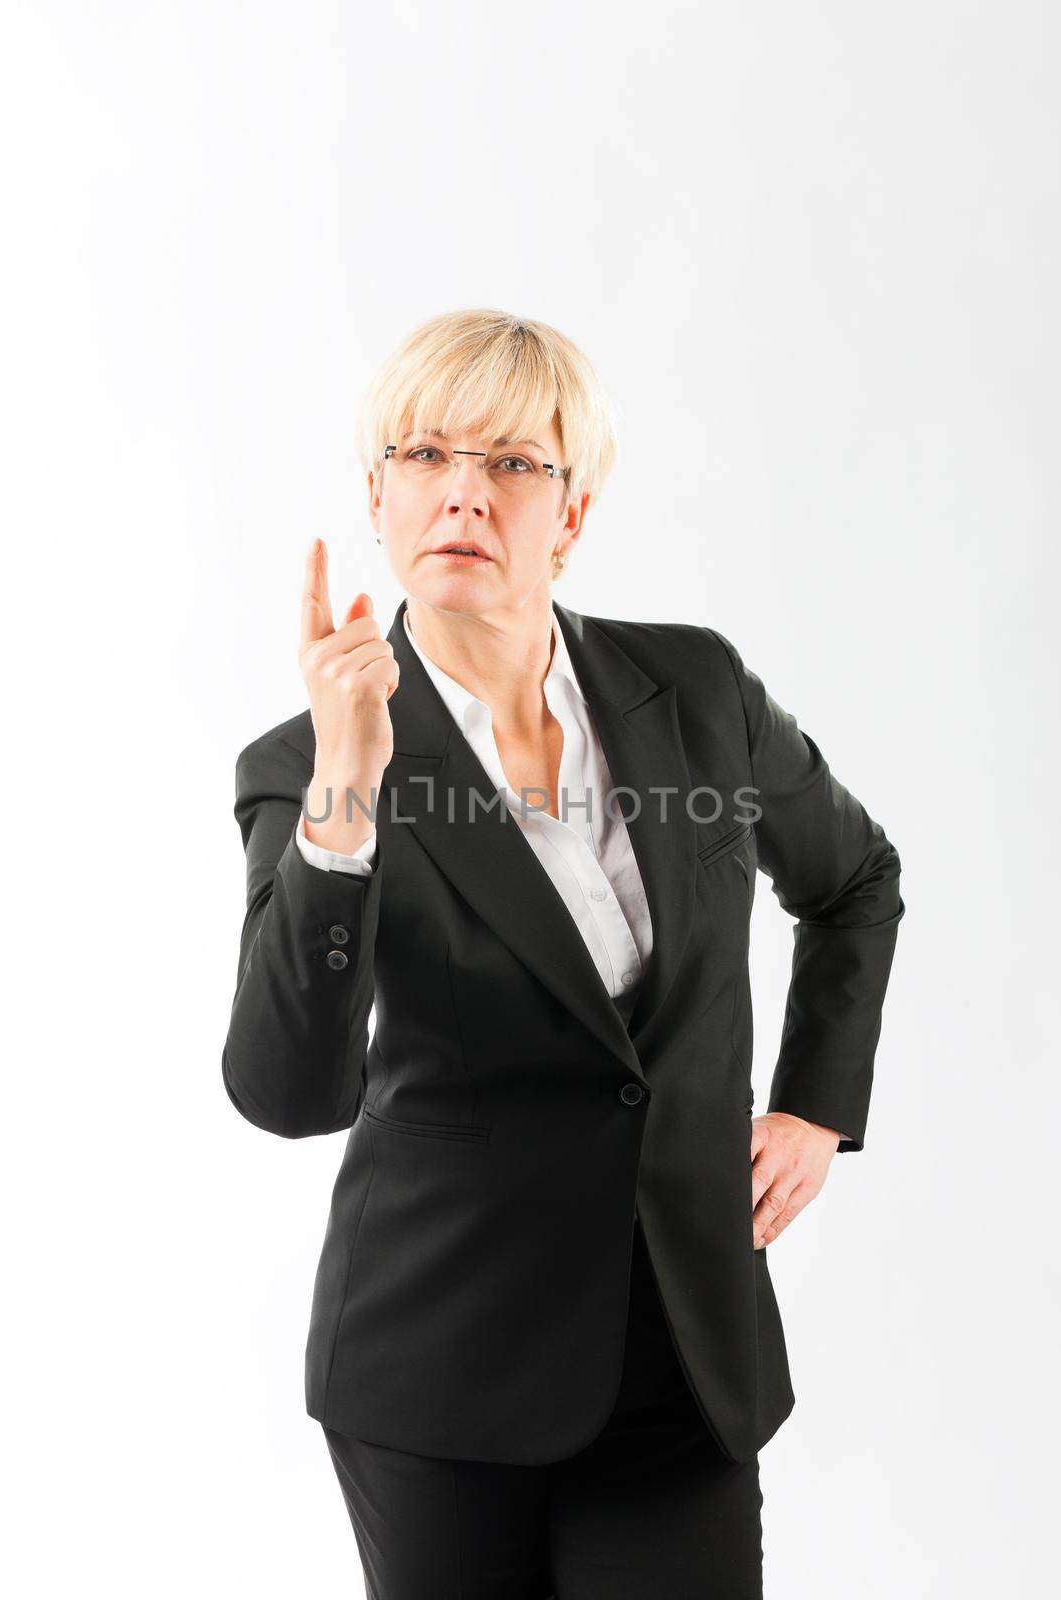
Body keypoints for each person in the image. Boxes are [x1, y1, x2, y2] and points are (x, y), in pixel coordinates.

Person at [222, 307, 904, 1598]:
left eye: (513, 465)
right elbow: (289, 1092)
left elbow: (856, 881)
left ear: (573, 514)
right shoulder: (300, 768)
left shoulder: (695, 694)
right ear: (378, 497)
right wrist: (350, 790)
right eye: (425, 456)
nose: (464, 494)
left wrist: (818, 1103)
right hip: (441, 1367)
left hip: (684, 1350)